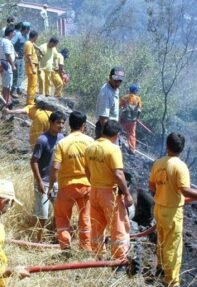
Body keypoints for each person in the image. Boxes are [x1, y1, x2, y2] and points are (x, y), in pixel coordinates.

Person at [149, 133, 197, 287]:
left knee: (161, 240)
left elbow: (152, 186)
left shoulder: (158, 163)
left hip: (159, 208)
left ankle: (160, 268)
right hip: (172, 212)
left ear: (167, 146)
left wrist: (166, 195)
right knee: (173, 247)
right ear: (182, 149)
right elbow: (185, 190)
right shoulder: (180, 167)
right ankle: (172, 284)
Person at [85, 120, 134, 264]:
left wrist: (94, 183)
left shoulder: (90, 148)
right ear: (117, 135)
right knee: (118, 225)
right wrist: (127, 194)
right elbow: (119, 174)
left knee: (97, 224)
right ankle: (119, 259)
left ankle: (98, 255)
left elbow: (86, 170)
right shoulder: (113, 149)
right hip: (109, 194)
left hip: (94, 191)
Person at [48, 111, 94, 251]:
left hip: (66, 187)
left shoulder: (62, 143)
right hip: (86, 186)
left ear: (69, 124)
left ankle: (65, 247)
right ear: (83, 126)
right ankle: (85, 248)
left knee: (62, 217)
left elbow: (56, 167)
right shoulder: (90, 142)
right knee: (85, 217)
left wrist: (51, 186)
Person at [31, 112, 65, 241]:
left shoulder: (62, 138)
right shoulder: (42, 140)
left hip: (57, 182)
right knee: (43, 215)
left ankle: (56, 238)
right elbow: (33, 161)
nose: (60, 126)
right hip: (43, 182)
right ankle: (38, 241)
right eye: (58, 123)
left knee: (59, 212)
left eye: (62, 123)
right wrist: (39, 181)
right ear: (51, 122)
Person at [95, 67, 124, 139]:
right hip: (106, 130)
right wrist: (106, 137)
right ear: (110, 78)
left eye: (120, 80)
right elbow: (103, 118)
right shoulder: (106, 93)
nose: (118, 83)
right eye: (116, 80)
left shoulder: (115, 88)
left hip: (112, 129)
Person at [119, 84, 142, 151]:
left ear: (130, 90)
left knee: (117, 129)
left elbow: (118, 106)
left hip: (124, 118)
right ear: (136, 91)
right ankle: (132, 149)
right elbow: (139, 110)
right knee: (131, 134)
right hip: (132, 120)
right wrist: (137, 118)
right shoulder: (138, 99)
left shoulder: (125, 97)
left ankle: (114, 141)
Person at [0, 26, 16, 107]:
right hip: (7, 64)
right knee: (7, 85)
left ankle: (6, 100)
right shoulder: (7, 42)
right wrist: (13, 65)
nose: (14, 34)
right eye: (13, 32)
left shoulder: (1, 40)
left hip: (3, 62)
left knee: (6, 83)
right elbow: (7, 54)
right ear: (10, 33)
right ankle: (6, 101)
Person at [11, 22, 31, 97]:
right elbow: (11, 44)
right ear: (25, 29)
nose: (29, 30)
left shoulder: (26, 36)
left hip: (22, 58)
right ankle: (13, 91)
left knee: (21, 74)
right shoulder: (18, 35)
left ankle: (19, 89)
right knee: (15, 74)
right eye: (28, 29)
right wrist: (15, 52)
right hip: (16, 58)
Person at [24, 30, 40, 106]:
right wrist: (33, 68)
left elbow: (34, 44)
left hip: (32, 66)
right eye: (37, 37)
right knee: (32, 85)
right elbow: (29, 56)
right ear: (35, 37)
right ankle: (30, 102)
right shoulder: (29, 44)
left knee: (33, 84)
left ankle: (30, 100)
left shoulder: (30, 43)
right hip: (31, 67)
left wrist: (38, 48)